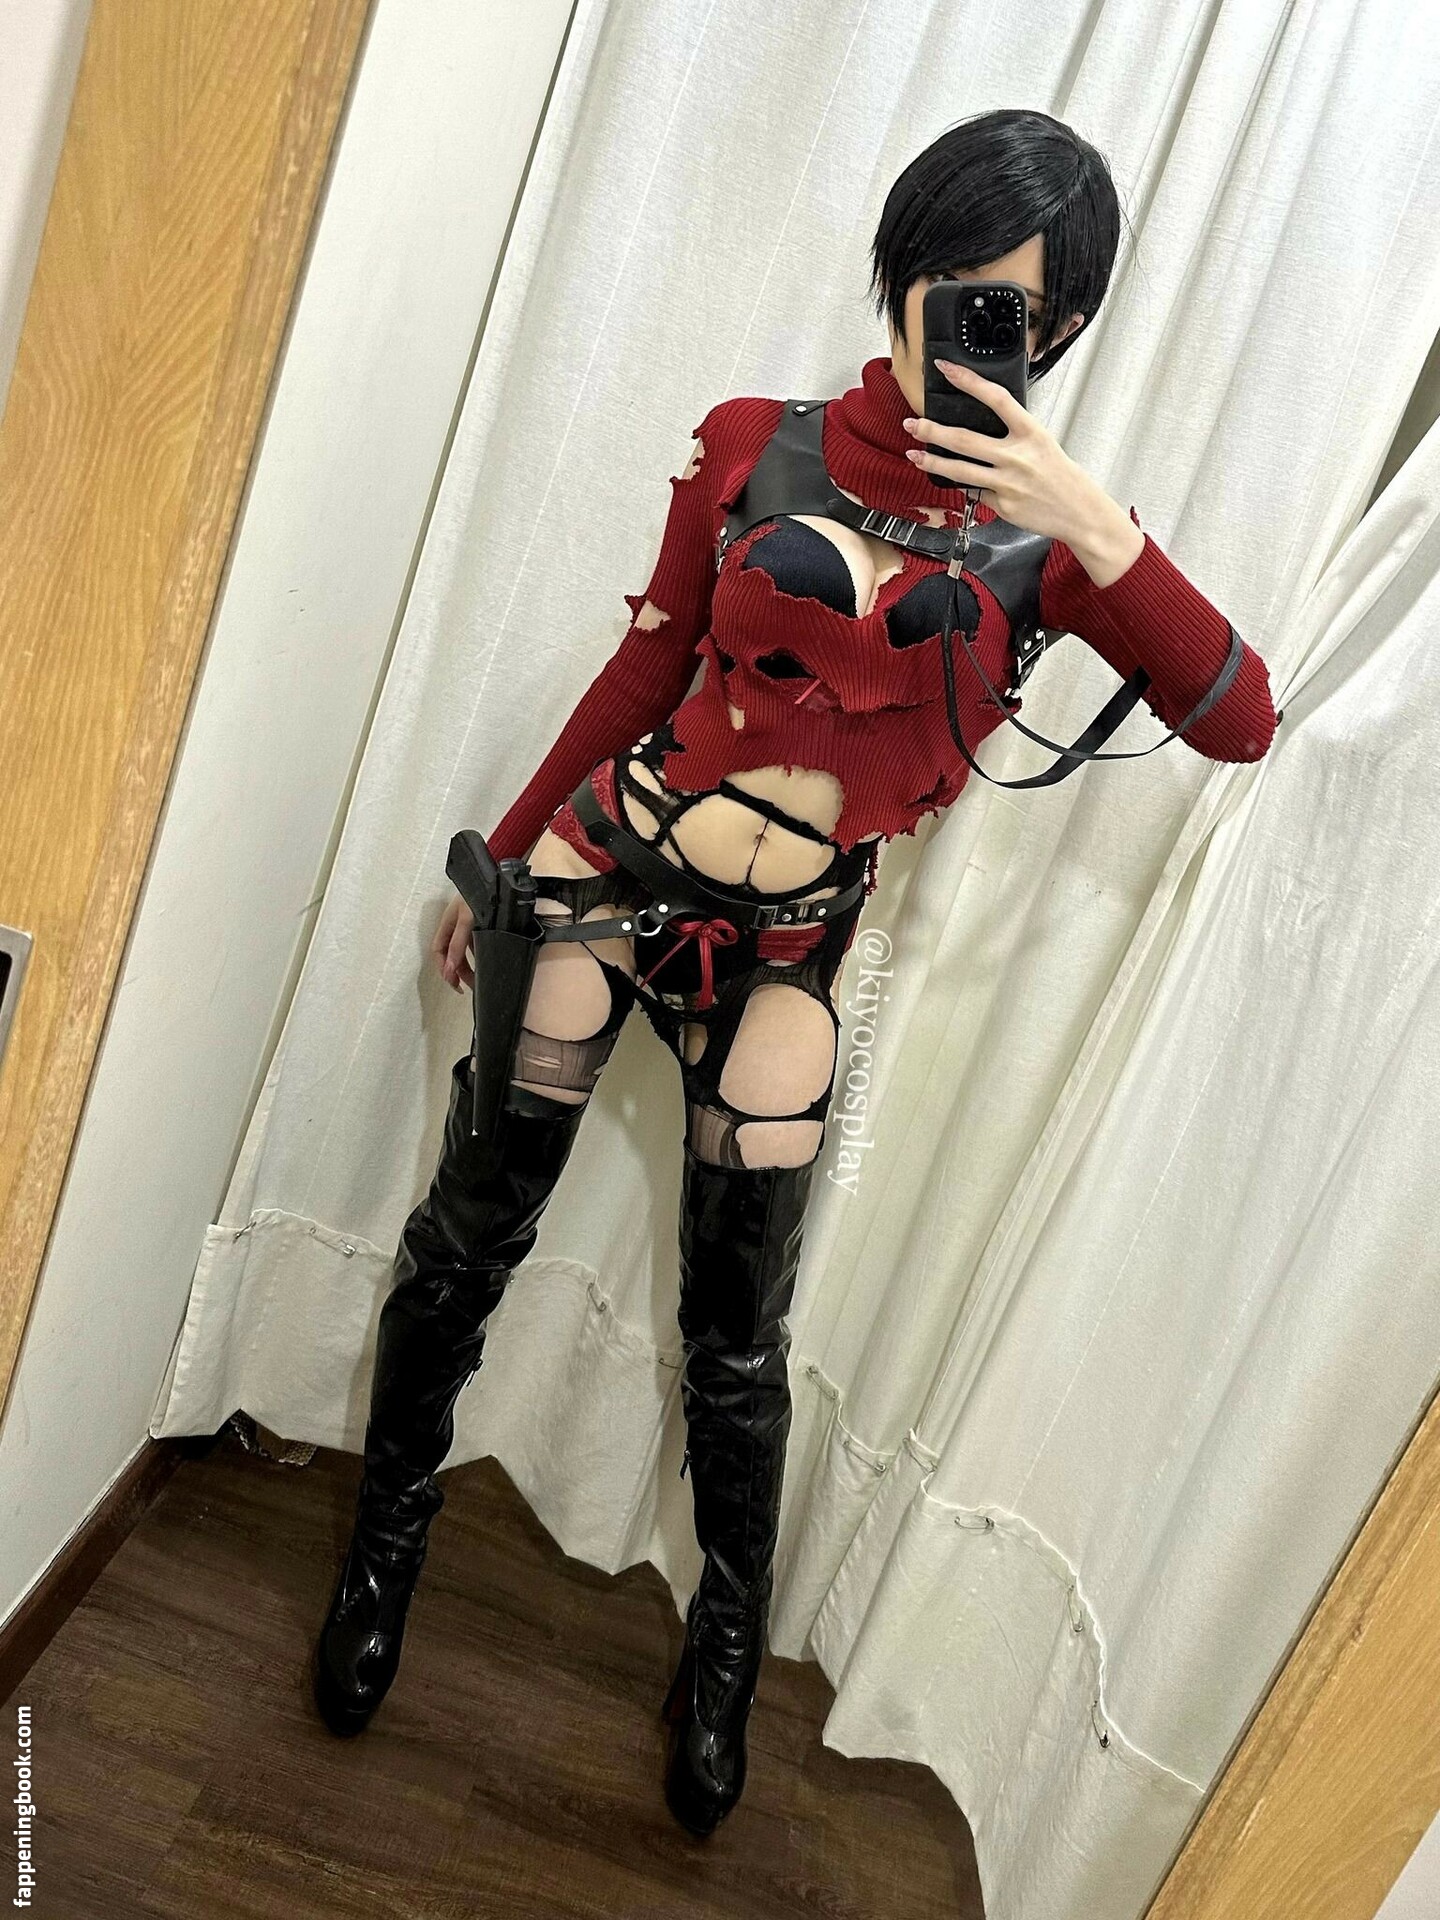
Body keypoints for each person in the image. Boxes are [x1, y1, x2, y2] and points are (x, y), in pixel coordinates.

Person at [312, 107, 1279, 1836]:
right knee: (472, 1233)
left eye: (1016, 309)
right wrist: (510, 852)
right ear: (899, 272)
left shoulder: (1053, 549)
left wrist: (1092, 520)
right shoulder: (753, 444)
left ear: (1063, 327)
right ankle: (380, 1558)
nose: (969, 326)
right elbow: (648, 668)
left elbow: (1243, 719)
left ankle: (722, 1667)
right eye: (949, 282)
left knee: (736, 1338)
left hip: (791, 947)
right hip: (611, 872)